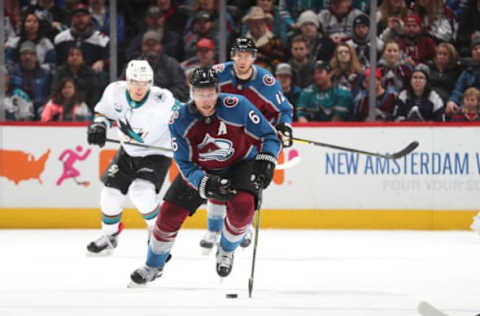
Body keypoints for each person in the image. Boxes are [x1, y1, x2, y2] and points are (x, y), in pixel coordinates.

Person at [129, 67, 281, 285]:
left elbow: (269, 135)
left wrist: (267, 159)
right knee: (169, 215)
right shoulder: (179, 119)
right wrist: (204, 182)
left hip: (241, 164)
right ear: (192, 93)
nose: (206, 99)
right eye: (200, 93)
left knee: (243, 208)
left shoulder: (238, 106)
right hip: (201, 169)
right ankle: (153, 265)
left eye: (210, 93)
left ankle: (226, 250)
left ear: (218, 91)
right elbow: (183, 162)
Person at [200, 37, 293, 253]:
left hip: (253, 139)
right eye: (238, 55)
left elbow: (283, 110)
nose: (242, 59)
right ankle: (213, 230)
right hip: (223, 136)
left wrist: (285, 127)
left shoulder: (266, 81)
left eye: (247, 55)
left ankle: (245, 227)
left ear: (254, 57)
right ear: (232, 56)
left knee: (248, 184)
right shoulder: (217, 73)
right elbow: (198, 97)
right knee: (217, 180)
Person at [85, 60, 176, 255]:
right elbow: (104, 113)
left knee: (141, 191)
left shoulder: (162, 99)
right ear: (127, 80)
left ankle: (158, 232)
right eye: (135, 81)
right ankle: (110, 235)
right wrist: (99, 126)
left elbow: (183, 117)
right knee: (109, 195)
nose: (140, 87)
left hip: (157, 151)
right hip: (128, 150)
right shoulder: (114, 92)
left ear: (151, 82)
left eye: (145, 82)